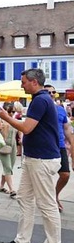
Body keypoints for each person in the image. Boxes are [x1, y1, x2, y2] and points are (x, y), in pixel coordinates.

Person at [0, 68, 61, 243]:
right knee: (24, 198)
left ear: (34, 82)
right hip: (35, 157)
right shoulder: (42, 100)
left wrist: (6, 117)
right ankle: (22, 242)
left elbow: (26, 128)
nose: (21, 85)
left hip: (41, 159)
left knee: (47, 204)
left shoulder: (40, 100)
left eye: (24, 82)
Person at [45, 85, 73, 213]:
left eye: (53, 92)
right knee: (46, 176)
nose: (51, 94)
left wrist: (72, 148)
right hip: (45, 146)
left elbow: (67, 130)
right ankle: (49, 200)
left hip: (60, 146)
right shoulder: (40, 108)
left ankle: (55, 195)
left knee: (65, 174)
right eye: (48, 91)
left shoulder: (61, 110)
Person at [0, 103, 17, 198]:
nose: (12, 114)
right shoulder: (0, 121)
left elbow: (19, 132)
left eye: (13, 111)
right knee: (7, 167)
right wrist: (3, 127)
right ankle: (12, 189)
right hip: (3, 146)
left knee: (9, 167)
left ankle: (1, 186)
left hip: (13, 146)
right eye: (10, 112)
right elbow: (0, 136)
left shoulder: (13, 120)